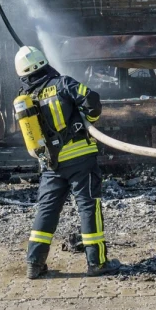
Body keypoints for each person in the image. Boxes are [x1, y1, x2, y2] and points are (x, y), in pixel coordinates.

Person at [15, 45, 119, 279]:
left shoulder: (26, 99)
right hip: (80, 158)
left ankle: (34, 264)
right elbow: (91, 98)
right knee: (88, 207)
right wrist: (90, 119)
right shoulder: (62, 83)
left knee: (47, 210)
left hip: (51, 165)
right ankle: (97, 263)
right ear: (44, 63)